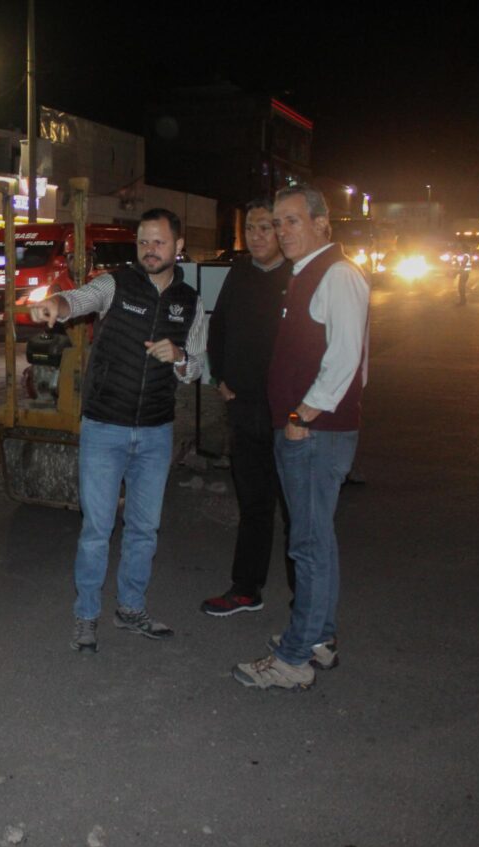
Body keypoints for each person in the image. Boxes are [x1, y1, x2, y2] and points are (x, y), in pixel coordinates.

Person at [29, 208, 206, 653]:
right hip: (105, 426)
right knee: (97, 529)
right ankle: (86, 615)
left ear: (178, 246)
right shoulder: (117, 283)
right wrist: (56, 305)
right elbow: (79, 299)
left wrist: (179, 358)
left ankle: (131, 609)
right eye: (144, 242)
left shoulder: (190, 301)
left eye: (159, 242)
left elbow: (196, 367)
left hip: (155, 431)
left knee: (144, 530)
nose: (150, 250)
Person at [233, 185, 368, 690]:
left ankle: (293, 659)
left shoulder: (338, 274)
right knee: (316, 541)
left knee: (308, 546)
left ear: (320, 224)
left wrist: (303, 414)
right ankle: (318, 638)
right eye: (278, 222)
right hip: (309, 431)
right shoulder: (307, 274)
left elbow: (347, 356)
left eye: (292, 221)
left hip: (314, 434)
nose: (282, 231)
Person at [201, 199, 296, 617]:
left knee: (295, 510)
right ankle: (245, 588)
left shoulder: (298, 275)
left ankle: (304, 599)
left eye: (265, 228)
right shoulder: (239, 272)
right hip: (243, 406)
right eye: (251, 228)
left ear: (281, 231)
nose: (256, 237)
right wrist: (220, 376)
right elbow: (218, 325)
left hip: (287, 412)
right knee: (253, 503)